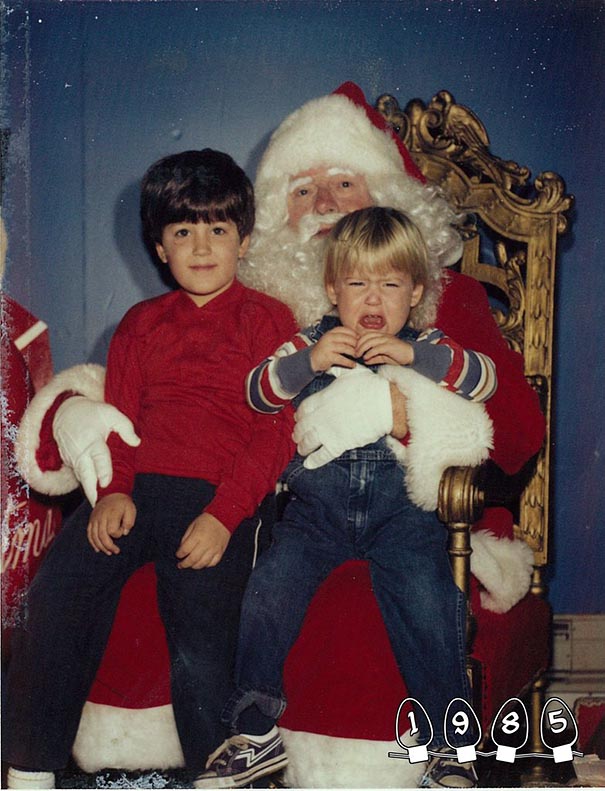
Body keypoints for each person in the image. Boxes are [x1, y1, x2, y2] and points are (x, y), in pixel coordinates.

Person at [13, 82, 543, 786]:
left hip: (392, 512)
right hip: (294, 512)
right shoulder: (265, 314)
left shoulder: (442, 303)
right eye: (301, 189)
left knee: (403, 593)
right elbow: (185, 391)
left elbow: (514, 429)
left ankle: (444, 743)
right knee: (227, 588)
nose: (322, 202)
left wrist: (397, 413)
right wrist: (74, 410)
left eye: (343, 182)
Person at [2, 149, 297, 790]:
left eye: (218, 229)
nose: (201, 246)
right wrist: (112, 492)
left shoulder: (267, 318)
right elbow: (119, 421)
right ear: (160, 248)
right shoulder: (140, 325)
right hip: (137, 492)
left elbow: (275, 433)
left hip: (220, 498)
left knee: (202, 627)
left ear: (244, 241)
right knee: (56, 594)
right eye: (183, 231)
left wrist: (224, 517)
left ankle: (217, 769)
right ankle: (30, 768)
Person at [194, 206, 495, 789]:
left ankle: (450, 745)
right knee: (268, 589)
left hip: (402, 515)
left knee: (429, 598)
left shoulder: (425, 343)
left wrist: (413, 358)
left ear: (415, 293)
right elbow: (256, 391)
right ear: (334, 290)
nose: (373, 299)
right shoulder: (314, 340)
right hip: (316, 516)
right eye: (357, 284)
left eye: (390, 285)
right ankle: (257, 732)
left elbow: (484, 379)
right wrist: (307, 362)